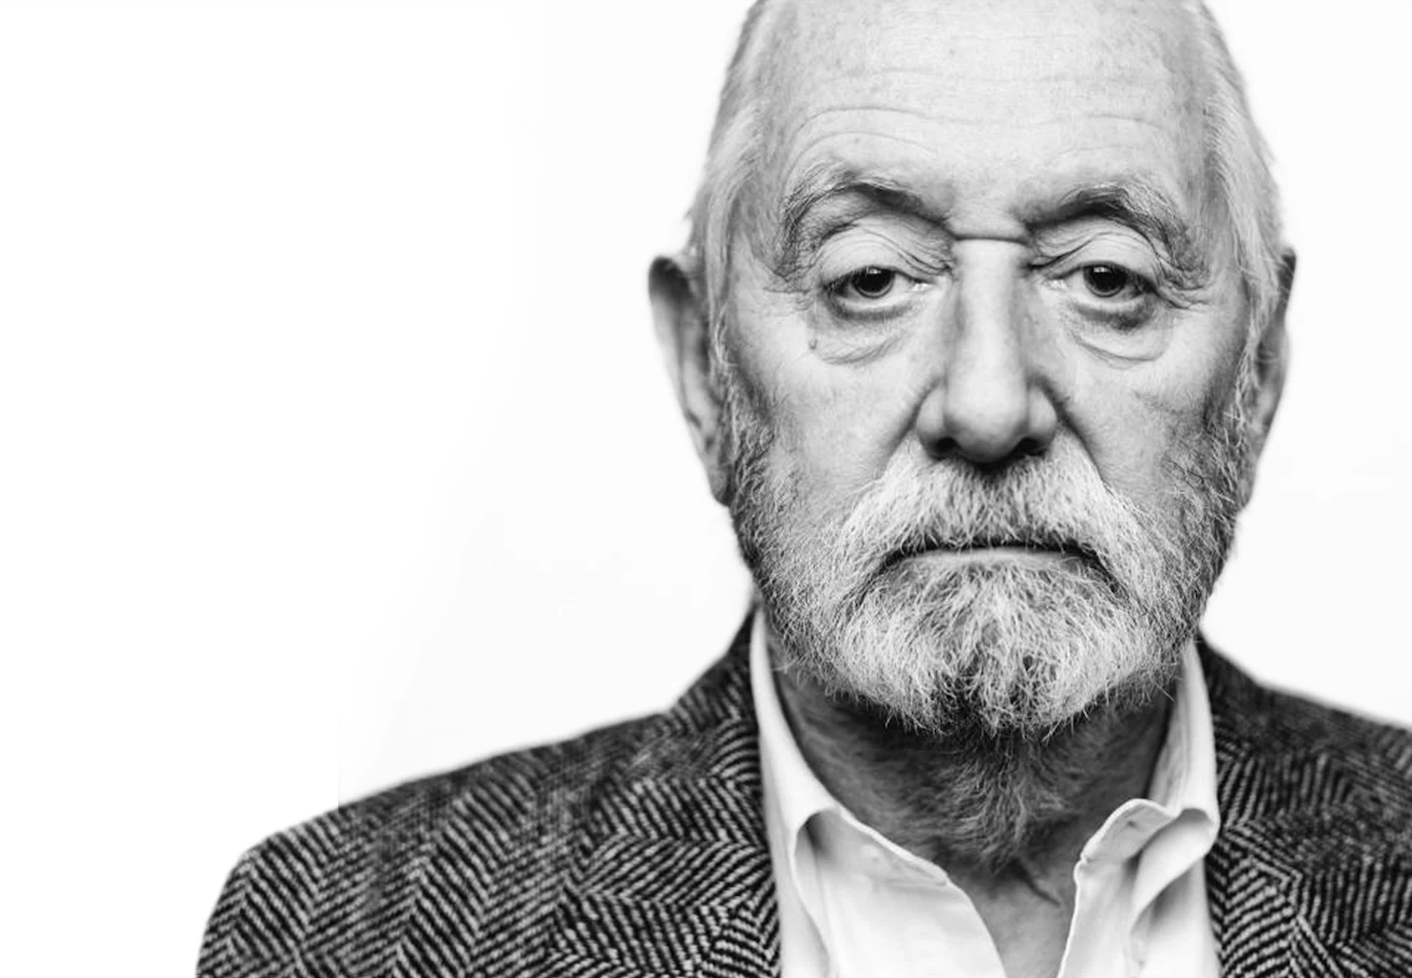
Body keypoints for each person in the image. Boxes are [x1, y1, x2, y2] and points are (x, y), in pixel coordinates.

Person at [199, 1, 1412, 975]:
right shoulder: (335, 939)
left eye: (1106, 279)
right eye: (868, 279)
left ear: (1255, 371)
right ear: (703, 369)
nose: (987, 406)